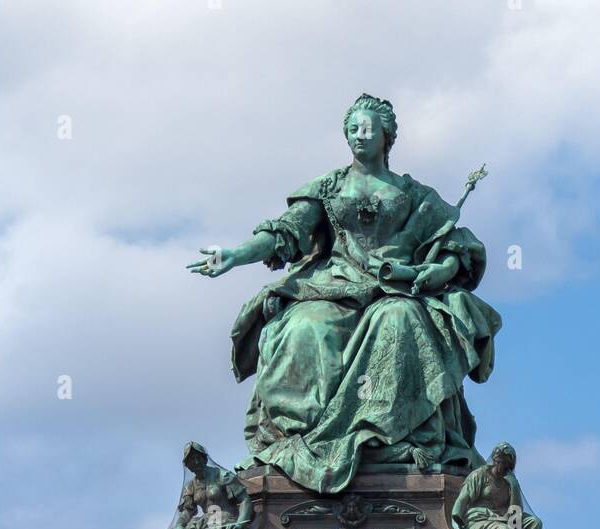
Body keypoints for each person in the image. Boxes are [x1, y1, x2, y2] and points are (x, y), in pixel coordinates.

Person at [187, 94, 500, 496]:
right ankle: (298, 442)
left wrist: (433, 271)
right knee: (303, 328)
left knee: (401, 320)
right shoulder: (328, 188)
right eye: (353, 128)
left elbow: (457, 247)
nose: (360, 135)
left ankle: (385, 434)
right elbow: (283, 233)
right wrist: (235, 255)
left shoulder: (415, 195)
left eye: (368, 128)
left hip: (395, 291)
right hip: (332, 286)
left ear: (387, 135)